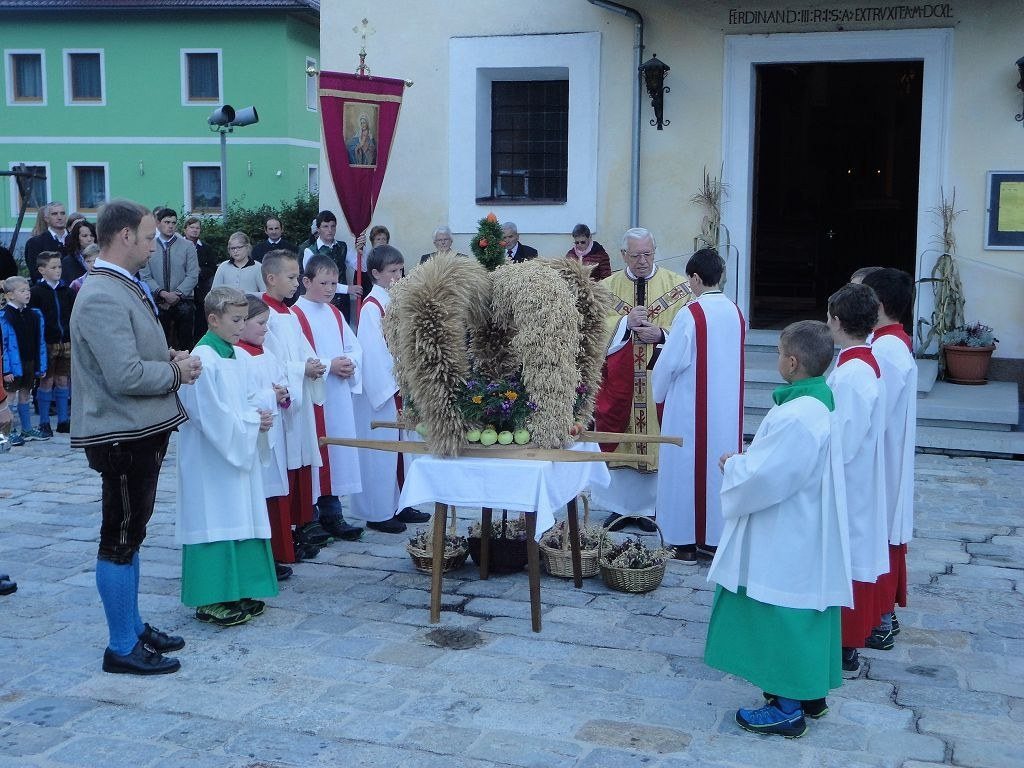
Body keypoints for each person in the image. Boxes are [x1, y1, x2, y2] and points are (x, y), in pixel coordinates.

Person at [71, 198, 202, 675]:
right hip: (120, 434)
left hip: (136, 429)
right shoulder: (103, 292)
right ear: (124, 236)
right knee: (120, 538)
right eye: (148, 237)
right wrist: (175, 370)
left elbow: (130, 348)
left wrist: (165, 352)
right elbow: (124, 374)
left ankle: (134, 625)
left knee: (133, 532)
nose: (153, 245)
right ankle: (121, 645)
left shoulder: (120, 284)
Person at [704, 320, 851, 738]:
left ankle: (788, 708)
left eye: (778, 354)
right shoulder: (816, 400)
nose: (776, 360)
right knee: (805, 608)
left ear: (792, 361)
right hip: (804, 522)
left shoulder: (800, 414)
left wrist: (734, 466)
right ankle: (808, 691)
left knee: (782, 609)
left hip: (789, 529)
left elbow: (770, 476)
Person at [176, 287, 279, 627]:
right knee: (214, 518)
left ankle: (242, 587)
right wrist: (252, 422)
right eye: (235, 320)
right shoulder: (202, 359)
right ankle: (210, 597)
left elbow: (250, 396)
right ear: (213, 319)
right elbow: (207, 415)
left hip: (239, 450)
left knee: (242, 514)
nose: (241, 327)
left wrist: (260, 416)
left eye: (244, 320)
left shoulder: (240, 356)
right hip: (211, 458)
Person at [593, 227, 692, 531]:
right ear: (623, 255)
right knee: (619, 438)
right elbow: (593, 332)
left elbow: (690, 334)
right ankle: (619, 507)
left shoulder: (678, 287)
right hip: (619, 384)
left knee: (654, 439)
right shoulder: (605, 289)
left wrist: (662, 334)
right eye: (635, 255)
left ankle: (651, 507)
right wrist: (624, 323)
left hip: (655, 384)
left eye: (648, 254)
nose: (642, 261)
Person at [652, 248, 745, 563]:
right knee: (719, 468)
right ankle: (716, 539)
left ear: (695, 277)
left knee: (682, 471)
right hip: (727, 408)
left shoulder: (691, 313)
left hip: (689, 406)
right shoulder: (735, 311)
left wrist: (658, 393)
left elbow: (671, 362)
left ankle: (682, 541)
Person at [260, 251, 355, 550]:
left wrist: (313, 365)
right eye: (291, 278)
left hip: (304, 394)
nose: (293, 284)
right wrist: (307, 368)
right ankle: (294, 527)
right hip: (288, 400)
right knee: (288, 466)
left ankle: (302, 524)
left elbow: (303, 352)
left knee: (304, 461)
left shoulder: (287, 313)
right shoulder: (265, 315)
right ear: (271, 278)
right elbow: (270, 359)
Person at [825, 282, 889, 678]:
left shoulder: (851, 374)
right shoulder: (861, 362)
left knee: (846, 558)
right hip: (860, 475)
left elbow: (842, 441)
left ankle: (845, 644)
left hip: (848, 480)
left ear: (836, 321)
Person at [351, 245, 430, 533]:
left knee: (404, 451)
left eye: (400, 270)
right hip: (385, 392)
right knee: (384, 453)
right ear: (375, 274)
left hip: (401, 385)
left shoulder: (396, 301)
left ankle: (402, 503)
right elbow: (373, 354)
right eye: (392, 271)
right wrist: (396, 383)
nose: (399, 276)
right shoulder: (372, 307)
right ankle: (379, 511)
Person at [861, 268, 917, 652]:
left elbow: (872, 413)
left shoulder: (887, 350)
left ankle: (879, 617)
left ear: (877, 305)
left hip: (881, 458)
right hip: (884, 453)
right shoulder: (884, 343)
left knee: (877, 533)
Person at [293, 254, 365, 536]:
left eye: (334, 283)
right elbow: (298, 356)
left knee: (336, 452)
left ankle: (334, 514)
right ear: (306, 281)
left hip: (337, 397)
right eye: (323, 282)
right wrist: (329, 365)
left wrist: (350, 362)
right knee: (316, 454)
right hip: (314, 397)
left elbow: (354, 346)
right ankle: (310, 516)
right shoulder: (295, 315)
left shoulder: (335, 313)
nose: (329, 288)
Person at [236, 294, 294, 579]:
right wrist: (272, 395)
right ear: (242, 323)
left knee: (274, 491)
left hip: (274, 435)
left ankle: (279, 551)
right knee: (258, 495)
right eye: (260, 323)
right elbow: (241, 399)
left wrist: (283, 394)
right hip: (255, 436)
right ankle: (262, 558)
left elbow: (282, 379)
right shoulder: (238, 355)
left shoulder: (266, 352)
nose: (265, 329)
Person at [138, 207, 199, 350]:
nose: (170, 226)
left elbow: (192, 275)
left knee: (185, 343)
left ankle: (187, 366)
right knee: (160, 343)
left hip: (183, 301)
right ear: (158, 224)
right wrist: (162, 293)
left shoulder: (187, 246)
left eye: (173, 222)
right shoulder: (149, 245)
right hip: (158, 301)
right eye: (167, 222)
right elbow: (145, 275)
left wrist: (176, 294)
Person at [30, 252, 75, 436]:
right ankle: (44, 422)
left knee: (63, 379)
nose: (58, 271)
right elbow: (34, 320)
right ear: (42, 270)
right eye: (53, 267)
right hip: (46, 343)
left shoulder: (67, 291)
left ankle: (63, 420)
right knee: (46, 380)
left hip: (65, 341)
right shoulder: (36, 293)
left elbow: (73, 315)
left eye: (59, 267)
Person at [1, 276, 49, 444]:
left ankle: (27, 429)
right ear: (10, 295)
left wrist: (41, 365)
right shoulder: (4, 317)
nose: (27, 293)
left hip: (29, 361)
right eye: (22, 291)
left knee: (25, 395)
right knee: (10, 397)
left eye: (28, 290)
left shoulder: (35, 314)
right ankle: (9, 430)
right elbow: (4, 346)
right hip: (13, 366)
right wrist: (5, 370)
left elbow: (40, 342)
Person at [301, 210, 360, 322]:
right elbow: (313, 282)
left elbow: (361, 266)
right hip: (321, 302)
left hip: (343, 302)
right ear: (318, 229)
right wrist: (347, 289)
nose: (330, 230)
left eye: (333, 226)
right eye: (325, 226)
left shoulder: (342, 247)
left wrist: (361, 248)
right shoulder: (310, 251)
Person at [185, 216, 217, 344]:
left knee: (200, 324)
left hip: (200, 291)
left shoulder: (206, 248)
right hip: (183, 291)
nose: (195, 230)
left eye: (197, 228)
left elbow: (212, 267)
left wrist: (200, 271)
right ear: (185, 229)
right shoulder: (179, 246)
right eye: (192, 227)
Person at [24, 201, 68, 282]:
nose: (59, 217)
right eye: (54, 214)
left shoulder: (75, 238)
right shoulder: (35, 243)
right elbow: (35, 272)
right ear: (46, 219)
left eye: (62, 213)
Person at [61, 219, 97, 284]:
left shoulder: (102, 258)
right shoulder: (68, 262)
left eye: (92, 235)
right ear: (76, 238)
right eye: (84, 236)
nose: (89, 239)